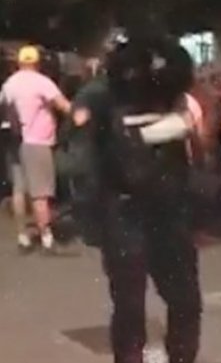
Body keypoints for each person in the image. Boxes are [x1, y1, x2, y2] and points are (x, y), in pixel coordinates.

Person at [71, 34, 202, 363]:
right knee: (131, 304)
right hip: (124, 211)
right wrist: (92, 219)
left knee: (184, 300)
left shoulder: (167, 90)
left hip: (165, 211)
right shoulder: (100, 96)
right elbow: (83, 161)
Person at [1, 45, 71, 252]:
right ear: (38, 62)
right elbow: (64, 106)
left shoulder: (9, 84)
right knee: (40, 194)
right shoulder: (42, 82)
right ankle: (47, 238)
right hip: (37, 141)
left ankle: (22, 236)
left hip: (16, 141)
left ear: (19, 63)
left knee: (19, 190)